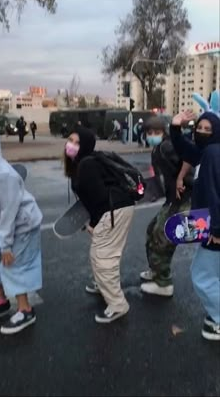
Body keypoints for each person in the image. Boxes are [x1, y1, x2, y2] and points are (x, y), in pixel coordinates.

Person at [63, 126, 135, 323]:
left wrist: (94, 224)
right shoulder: (85, 162)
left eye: (77, 142)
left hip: (113, 210)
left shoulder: (86, 165)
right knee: (103, 254)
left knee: (103, 256)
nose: (71, 145)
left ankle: (118, 305)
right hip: (117, 208)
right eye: (70, 140)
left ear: (85, 145)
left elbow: (99, 198)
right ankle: (104, 285)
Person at [170, 90, 220, 341]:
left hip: (215, 229)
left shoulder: (213, 155)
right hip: (211, 226)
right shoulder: (209, 152)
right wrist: (175, 128)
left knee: (201, 275)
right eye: (199, 126)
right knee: (212, 274)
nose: (201, 131)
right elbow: (186, 149)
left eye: (208, 128)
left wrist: (217, 231)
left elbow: (215, 194)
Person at [0, 121, 42, 335]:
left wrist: (6, 246)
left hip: (22, 224)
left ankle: (26, 310)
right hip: (8, 224)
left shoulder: (3, 175)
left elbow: (10, 212)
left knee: (12, 263)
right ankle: (1, 302)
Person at [140, 115, 193, 297]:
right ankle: (156, 271)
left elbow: (189, 163)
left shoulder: (167, 146)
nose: (153, 135)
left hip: (182, 199)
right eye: (149, 133)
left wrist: (182, 180)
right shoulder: (158, 148)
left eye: (157, 132)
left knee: (162, 238)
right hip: (172, 199)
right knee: (152, 231)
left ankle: (163, 283)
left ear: (164, 132)